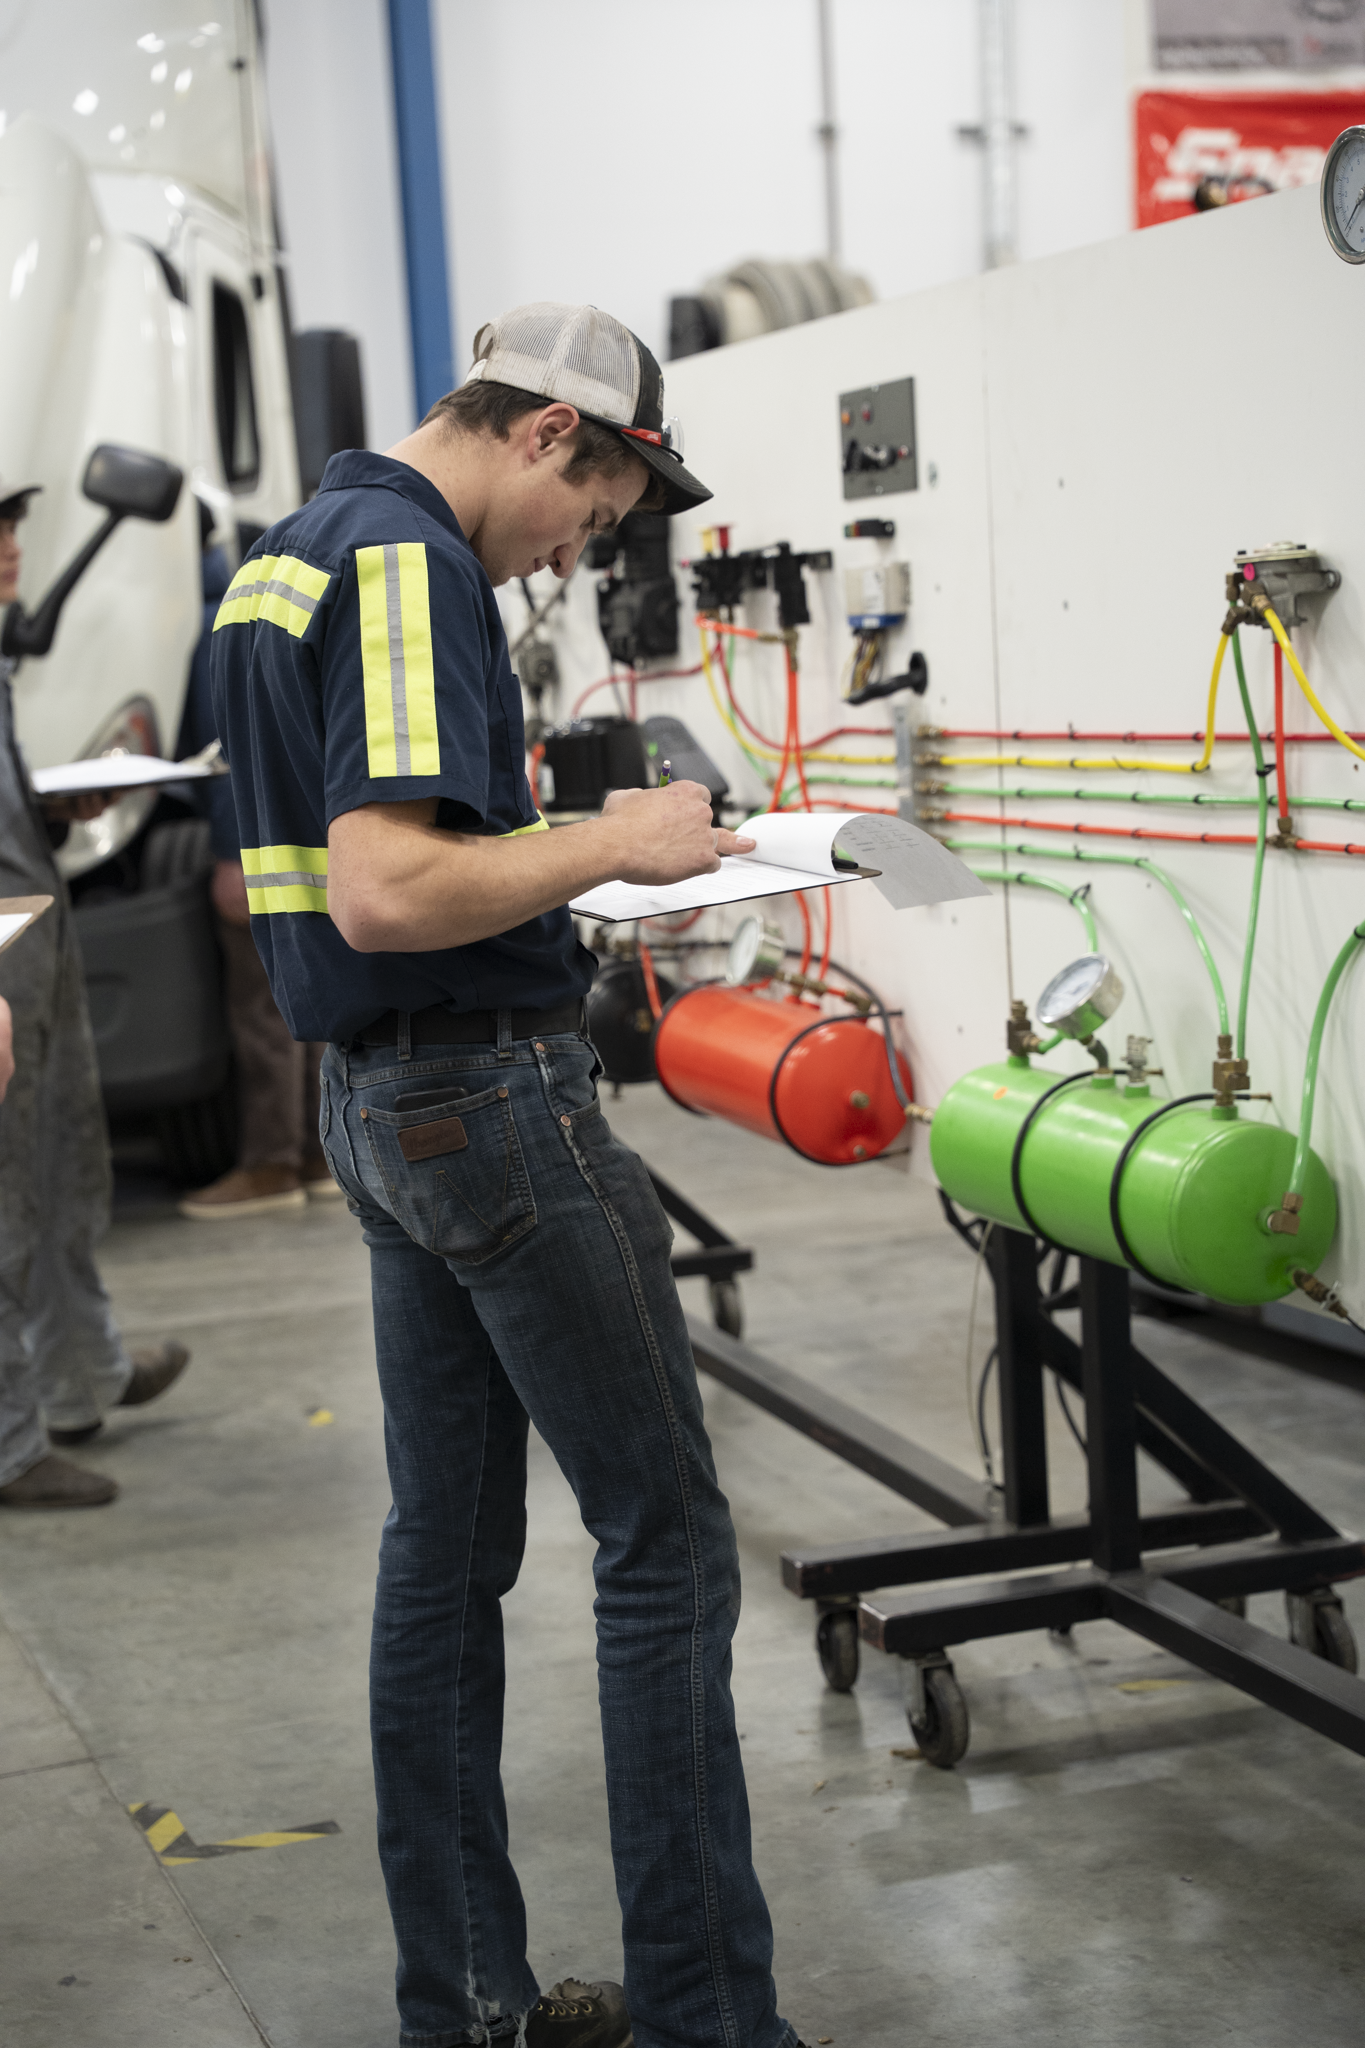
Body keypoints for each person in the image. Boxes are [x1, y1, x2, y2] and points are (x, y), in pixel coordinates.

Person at [211, 304, 811, 2048]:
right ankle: (713, 2022)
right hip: (487, 1099)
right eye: (591, 515)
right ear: (549, 431)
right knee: (665, 1540)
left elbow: (309, 882)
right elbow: (390, 887)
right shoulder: (409, 564)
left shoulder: (283, 560)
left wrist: (546, 854)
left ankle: (464, 2002)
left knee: (444, 1553)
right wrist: (615, 841)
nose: (570, 558)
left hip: (379, 1108)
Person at [0, 480, 190, 1509]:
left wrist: (54, 813)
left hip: (35, 937)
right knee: (2, 1197)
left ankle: (82, 1372)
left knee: (62, 1169)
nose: (12, 545)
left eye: (13, 524)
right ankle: (7, 1442)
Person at [175, 511, 339, 1217]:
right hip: (317, 841)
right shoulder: (294, 608)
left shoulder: (218, 624)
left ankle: (272, 1163)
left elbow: (225, 757)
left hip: (256, 850)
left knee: (261, 1011)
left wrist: (227, 854)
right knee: (307, 1001)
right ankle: (317, 1154)